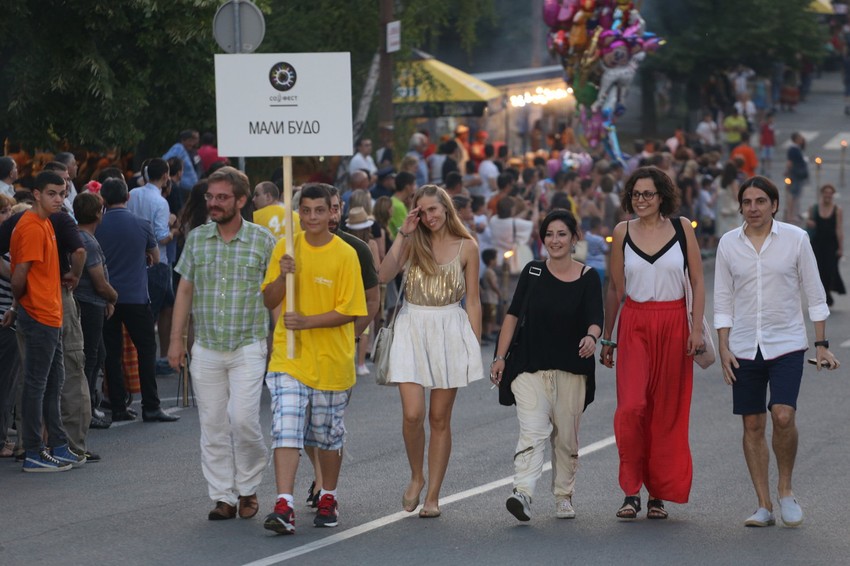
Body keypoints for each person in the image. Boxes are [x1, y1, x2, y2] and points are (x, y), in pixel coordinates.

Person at [714, 175, 840, 528]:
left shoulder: (796, 240)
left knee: (783, 415)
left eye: (760, 201)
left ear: (774, 205)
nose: (753, 208)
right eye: (747, 202)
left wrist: (821, 343)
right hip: (742, 346)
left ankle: (785, 490)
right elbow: (722, 299)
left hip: (786, 343)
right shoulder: (728, 244)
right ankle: (764, 504)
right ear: (740, 206)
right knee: (752, 423)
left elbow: (814, 292)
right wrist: (723, 347)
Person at [168, 167, 275, 521]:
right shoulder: (197, 238)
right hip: (208, 347)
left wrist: (279, 344)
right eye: (210, 197)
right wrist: (176, 340)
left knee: (243, 420)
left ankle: (249, 487)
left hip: (248, 344)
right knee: (212, 424)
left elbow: (275, 296)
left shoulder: (263, 240)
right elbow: (185, 289)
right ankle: (224, 496)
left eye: (221, 197)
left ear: (241, 201)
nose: (213, 203)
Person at [261, 183, 367, 534]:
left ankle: (329, 495)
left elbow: (350, 311)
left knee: (327, 437)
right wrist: (283, 275)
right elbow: (269, 299)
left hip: (332, 360)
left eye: (319, 211)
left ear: (332, 212)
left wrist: (307, 321)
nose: (311, 217)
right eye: (305, 211)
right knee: (286, 428)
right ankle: (284, 504)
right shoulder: (285, 248)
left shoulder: (345, 254)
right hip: (289, 359)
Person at [600, 167, 705, 520]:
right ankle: (631, 491)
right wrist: (607, 337)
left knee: (666, 412)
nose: (640, 200)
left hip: (675, 324)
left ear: (662, 196)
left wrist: (696, 329)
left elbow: (698, 279)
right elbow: (615, 289)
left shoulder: (681, 229)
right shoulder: (622, 232)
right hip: (635, 325)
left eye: (648, 194)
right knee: (631, 408)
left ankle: (658, 493)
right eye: (635, 194)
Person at [378, 184, 483, 518]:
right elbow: (383, 275)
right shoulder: (413, 241)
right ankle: (416, 475)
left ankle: (433, 495)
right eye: (422, 211)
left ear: (446, 208)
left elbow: (475, 301)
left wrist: (474, 345)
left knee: (439, 417)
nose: (429, 216)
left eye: (434, 209)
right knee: (413, 414)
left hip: (450, 327)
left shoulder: (468, 247)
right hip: (412, 326)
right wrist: (402, 233)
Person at [492, 209, 603, 522]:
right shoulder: (533, 272)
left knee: (566, 439)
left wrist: (592, 338)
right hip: (530, 367)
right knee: (533, 430)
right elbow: (512, 316)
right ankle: (523, 493)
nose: (555, 240)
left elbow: (597, 319)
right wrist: (500, 357)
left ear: (573, 239)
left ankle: (564, 495)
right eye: (550, 235)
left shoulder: (588, 277)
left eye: (562, 234)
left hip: (572, 368)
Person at [10, 171, 80, 471]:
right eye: (52, 193)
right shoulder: (31, 227)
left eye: (62, 193)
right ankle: (34, 453)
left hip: (49, 313)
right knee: (37, 384)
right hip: (39, 315)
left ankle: (58, 446)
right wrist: (24, 302)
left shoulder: (46, 223)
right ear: (36, 194)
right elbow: (19, 275)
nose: (59, 199)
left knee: (53, 382)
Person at [96, 177, 179, 424]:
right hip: (135, 296)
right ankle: (151, 405)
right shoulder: (141, 224)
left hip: (107, 296)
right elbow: (154, 256)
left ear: (103, 199)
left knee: (112, 352)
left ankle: (118, 405)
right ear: (127, 197)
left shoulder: (97, 226)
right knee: (146, 349)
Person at [73, 192, 118, 430]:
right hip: (90, 303)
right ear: (98, 214)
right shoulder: (87, 241)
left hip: (92, 303)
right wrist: (113, 296)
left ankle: (89, 406)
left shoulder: (82, 236)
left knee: (97, 354)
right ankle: (86, 410)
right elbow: (99, 282)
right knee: (90, 358)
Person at [806, 184, 845, 306]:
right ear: (822, 194)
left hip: (831, 245)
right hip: (817, 244)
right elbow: (808, 223)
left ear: (833, 195)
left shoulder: (837, 210)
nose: (827, 195)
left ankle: (827, 292)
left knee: (830, 270)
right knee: (818, 271)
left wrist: (840, 247)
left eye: (830, 193)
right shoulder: (813, 208)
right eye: (825, 192)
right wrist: (809, 222)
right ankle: (823, 296)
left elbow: (839, 229)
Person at [785, 132, 809, 223]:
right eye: (800, 138)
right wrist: (788, 173)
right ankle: (790, 215)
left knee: (796, 195)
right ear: (796, 139)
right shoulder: (793, 149)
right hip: (795, 174)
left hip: (798, 174)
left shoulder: (798, 148)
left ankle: (794, 214)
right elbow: (789, 162)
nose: (801, 140)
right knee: (793, 195)